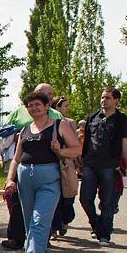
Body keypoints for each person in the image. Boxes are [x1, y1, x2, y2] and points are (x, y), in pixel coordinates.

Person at [4, 91, 81, 253]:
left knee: (40, 220)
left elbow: (76, 149)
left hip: (49, 179)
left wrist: (60, 149)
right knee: (30, 221)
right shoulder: (25, 130)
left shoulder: (59, 125)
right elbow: (16, 158)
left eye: (38, 104)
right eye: (30, 105)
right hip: (25, 179)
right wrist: (9, 179)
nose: (34, 108)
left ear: (47, 106)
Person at [0, 83, 63, 250]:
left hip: (48, 168)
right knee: (17, 202)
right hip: (22, 161)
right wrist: (15, 134)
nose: (47, 96)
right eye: (43, 93)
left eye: (50, 94)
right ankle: (16, 237)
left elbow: (65, 139)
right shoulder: (20, 111)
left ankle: (41, 240)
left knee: (43, 207)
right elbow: (4, 130)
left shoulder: (57, 115)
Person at [79, 86, 127, 247]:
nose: (104, 100)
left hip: (110, 165)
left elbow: (126, 143)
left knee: (108, 202)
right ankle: (96, 225)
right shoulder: (92, 117)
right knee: (85, 199)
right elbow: (86, 141)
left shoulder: (122, 119)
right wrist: (82, 160)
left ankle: (105, 234)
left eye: (108, 97)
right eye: (102, 97)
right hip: (90, 164)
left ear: (116, 100)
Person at [49, 96, 79, 237]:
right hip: (51, 162)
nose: (68, 109)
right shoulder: (48, 123)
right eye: (65, 106)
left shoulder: (70, 123)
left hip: (67, 162)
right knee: (54, 197)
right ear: (57, 108)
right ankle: (53, 227)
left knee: (68, 196)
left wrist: (79, 163)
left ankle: (65, 221)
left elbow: (75, 144)